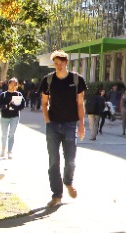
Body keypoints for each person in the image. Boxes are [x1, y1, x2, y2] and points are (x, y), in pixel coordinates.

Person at [40, 51, 87, 207]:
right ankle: (57, 195)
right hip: (53, 125)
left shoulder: (77, 80)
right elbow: (44, 102)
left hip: (70, 124)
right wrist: (47, 120)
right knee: (53, 161)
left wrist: (81, 125)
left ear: (66, 62)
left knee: (70, 160)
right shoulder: (48, 80)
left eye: (61, 63)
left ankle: (68, 181)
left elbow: (80, 104)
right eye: (56, 64)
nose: (58, 66)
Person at [0, 78, 25, 159]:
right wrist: (5, 106)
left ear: (17, 86)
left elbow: (22, 105)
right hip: (4, 116)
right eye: (11, 84)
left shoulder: (19, 94)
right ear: (8, 84)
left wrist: (14, 106)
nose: (13, 86)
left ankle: (9, 151)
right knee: (4, 134)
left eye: (14, 84)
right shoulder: (4, 94)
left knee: (11, 134)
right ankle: (3, 149)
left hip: (14, 117)